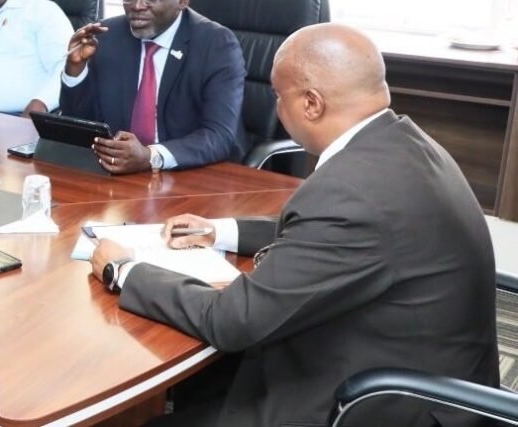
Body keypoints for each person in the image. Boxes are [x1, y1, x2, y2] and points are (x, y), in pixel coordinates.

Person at [91, 23, 500, 426]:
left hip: (377, 402)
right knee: (203, 381)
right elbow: (339, 234)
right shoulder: (402, 142)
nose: (275, 107)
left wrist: (124, 271)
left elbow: (233, 321)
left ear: (311, 104)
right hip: (412, 362)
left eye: (277, 94)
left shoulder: (350, 193)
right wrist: (222, 231)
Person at [60, 0, 247, 174]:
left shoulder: (216, 44)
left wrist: (152, 156)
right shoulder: (108, 36)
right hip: (119, 172)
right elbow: (82, 125)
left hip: (191, 172)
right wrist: (75, 70)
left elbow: (219, 136)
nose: (137, 6)